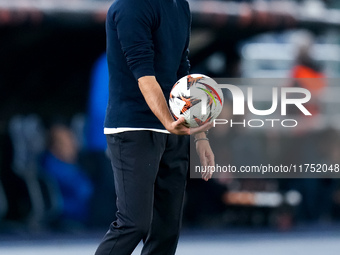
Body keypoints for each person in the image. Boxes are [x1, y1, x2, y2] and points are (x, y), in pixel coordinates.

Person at [95, 0, 214, 254]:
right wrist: (169, 122)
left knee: (167, 229)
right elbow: (144, 75)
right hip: (133, 128)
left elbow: (183, 72)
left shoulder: (179, 5)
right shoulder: (130, 7)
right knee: (133, 224)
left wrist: (200, 134)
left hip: (173, 129)